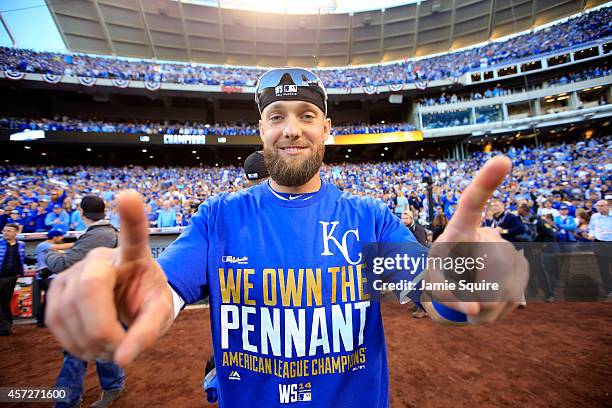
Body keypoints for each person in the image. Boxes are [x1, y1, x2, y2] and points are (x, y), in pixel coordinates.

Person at [45, 68, 528, 408]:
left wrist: (461, 280)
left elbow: (430, 289)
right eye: (276, 115)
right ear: (261, 129)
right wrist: (134, 300)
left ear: (327, 129)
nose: (291, 129)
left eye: (306, 115)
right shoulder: (219, 218)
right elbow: (166, 289)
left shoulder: (369, 218)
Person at [45, 196, 126, 408]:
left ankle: (68, 401)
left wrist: (45, 251)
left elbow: (62, 263)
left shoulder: (98, 235)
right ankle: (114, 386)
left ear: (81, 213)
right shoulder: (108, 232)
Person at [34, 229, 73, 327]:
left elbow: (63, 251)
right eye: (60, 236)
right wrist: (80, 243)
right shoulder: (43, 245)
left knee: (52, 298)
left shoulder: (54, 248)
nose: (62, 238)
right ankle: (42, 320)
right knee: (51, 298)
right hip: (45, 276)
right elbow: (59, 247)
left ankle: (46, 320)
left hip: (53, 276)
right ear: (54, 237)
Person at [0, 224, 25, 336]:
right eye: (4, 231)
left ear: (16, 233)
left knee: (5, 302)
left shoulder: (21, 245)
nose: (6, 233)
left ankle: (5, 327)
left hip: (11, 277)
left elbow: (21, 259)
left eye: (9, 231)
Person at [589, 200, 611, 298]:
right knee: (604, 268)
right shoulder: (594, 217)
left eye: (601, 206)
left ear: (608, 206)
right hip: (600, 244)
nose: (599, 208)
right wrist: (591, 235)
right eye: (597, 206)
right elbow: (591, 228)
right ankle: (608, 290)